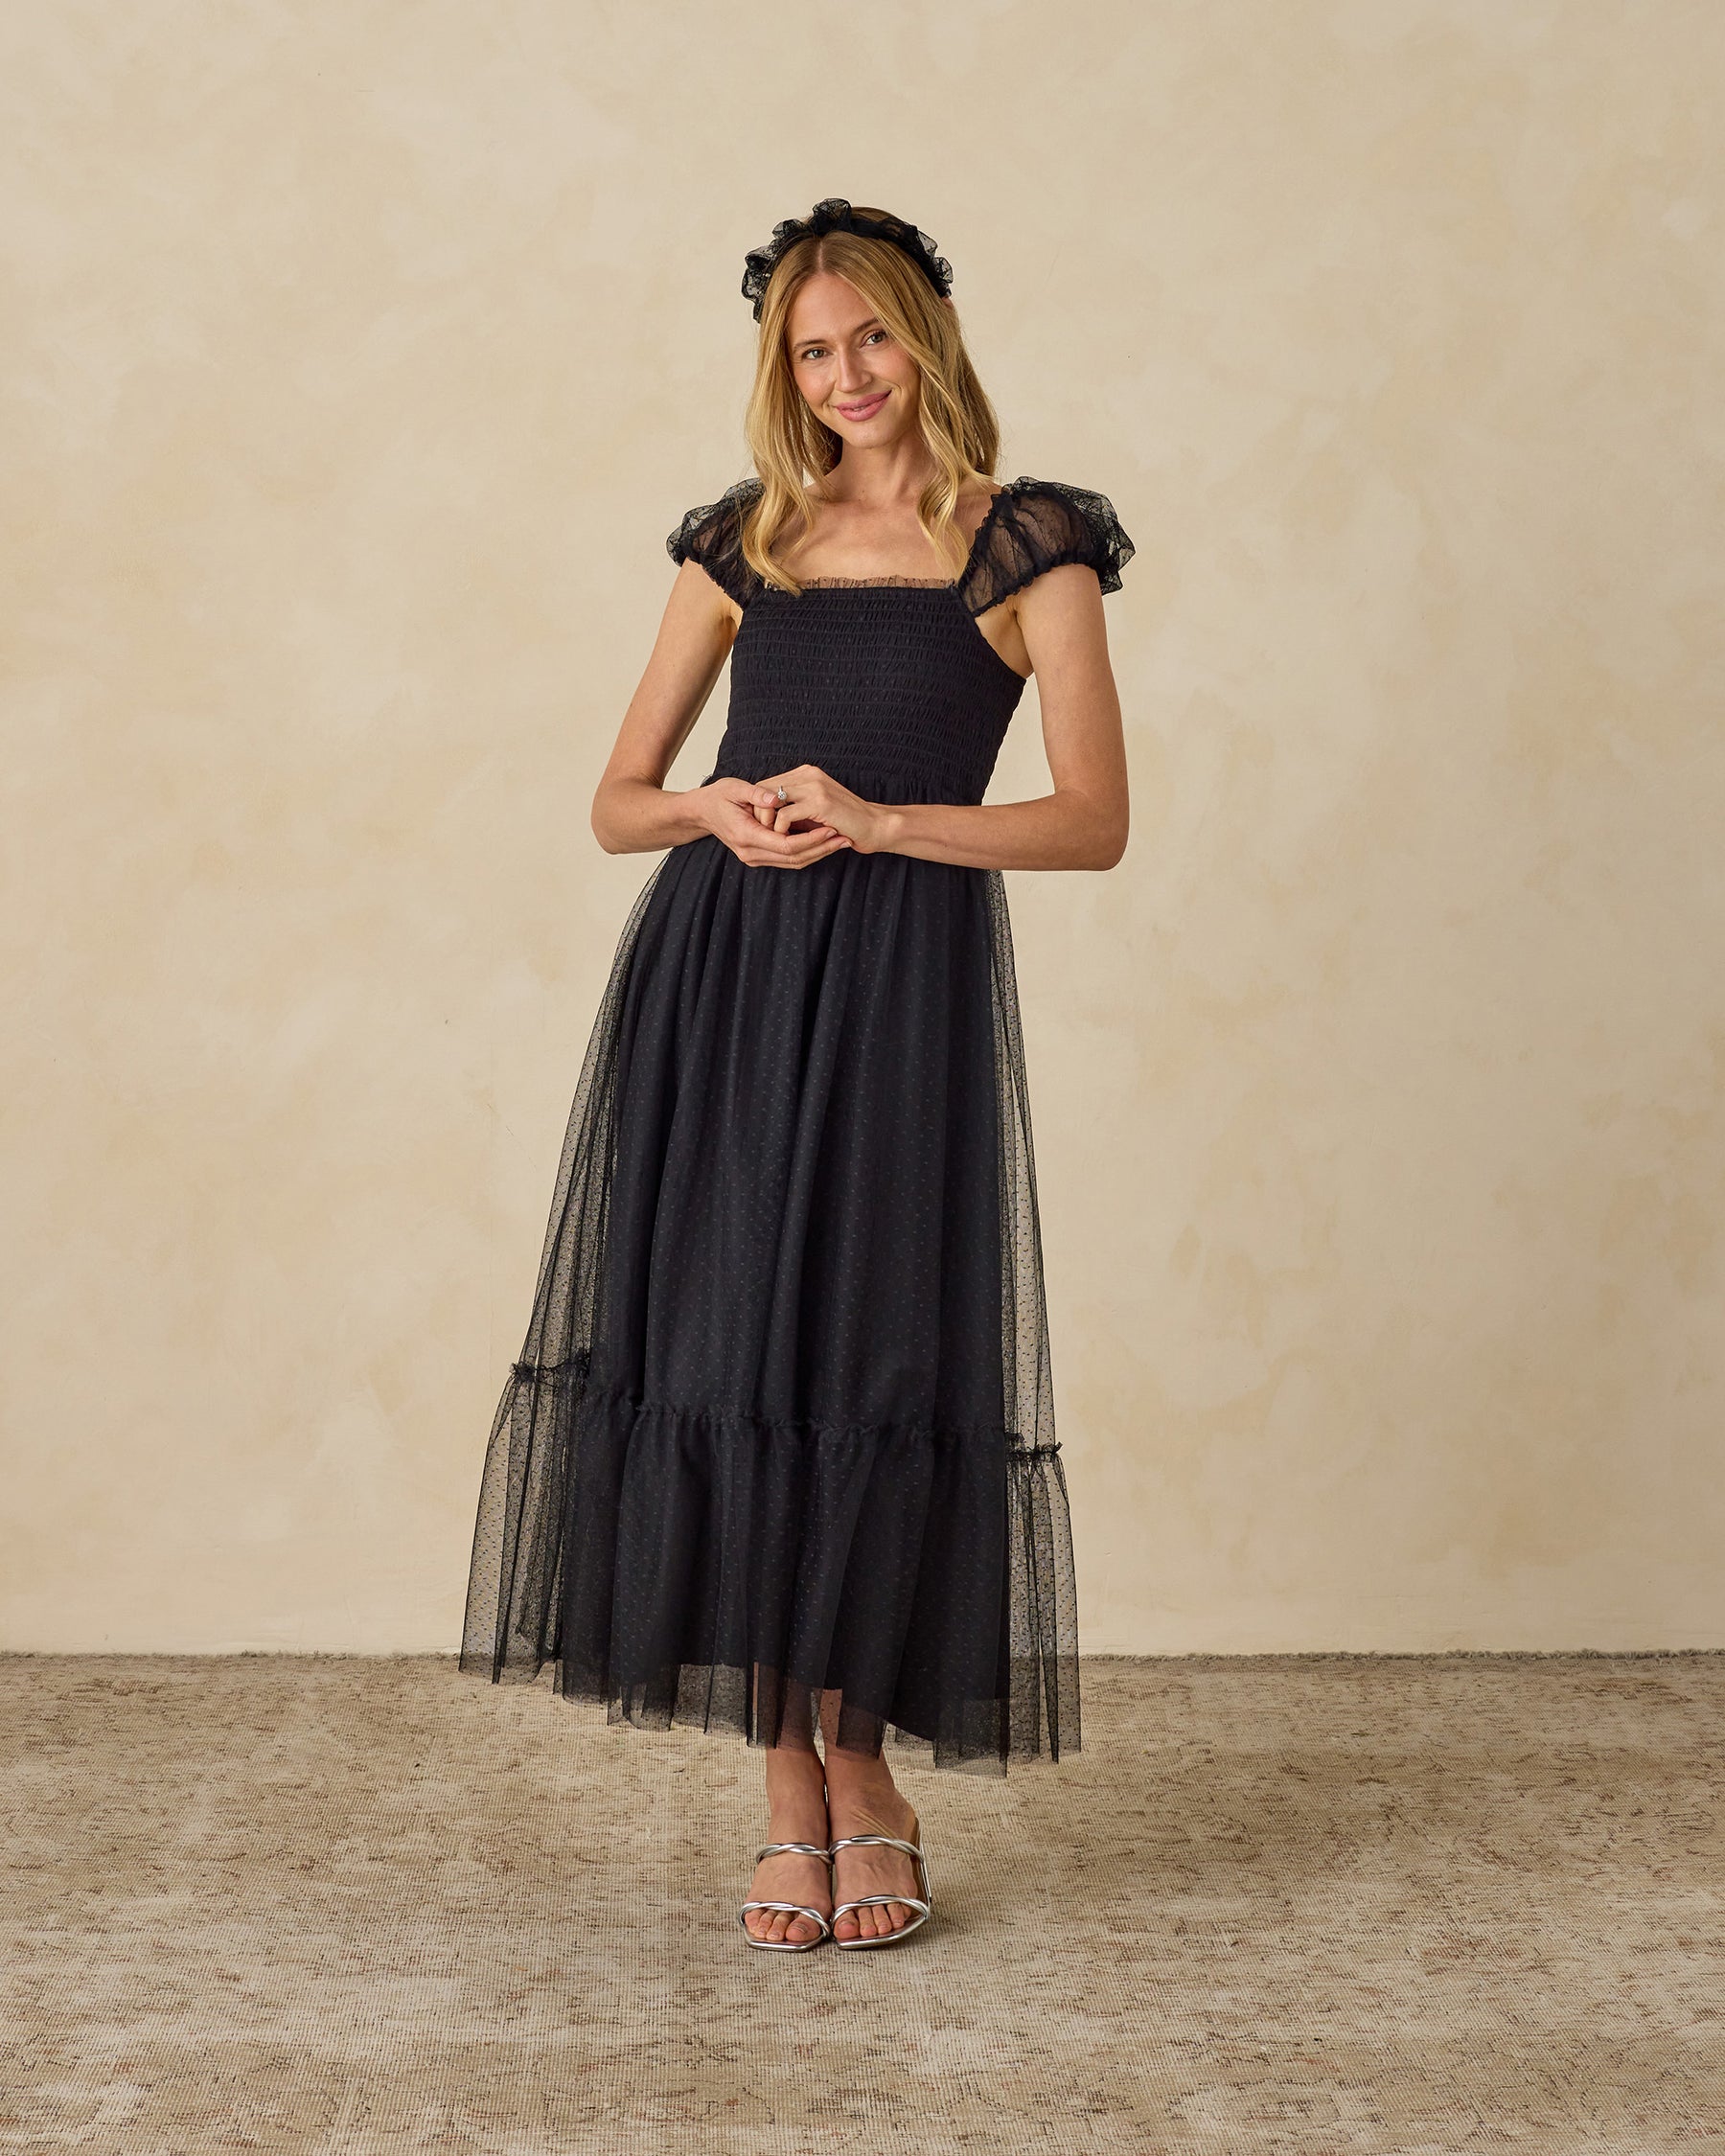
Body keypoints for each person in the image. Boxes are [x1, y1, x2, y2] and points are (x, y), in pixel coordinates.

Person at [460, 197, 1134, 1953]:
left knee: (874, 1351)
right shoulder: (742, 540)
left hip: (903, 987)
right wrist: (713, 806)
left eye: (872, 336)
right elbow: (618, 800)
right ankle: (787, 1784)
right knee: (727, 1345)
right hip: (725, 977)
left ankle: (868, 1769)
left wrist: (883, 820)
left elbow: (1094, 820)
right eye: (812, 350)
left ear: (930, 335)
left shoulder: (1029, 546)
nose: (846, 375)